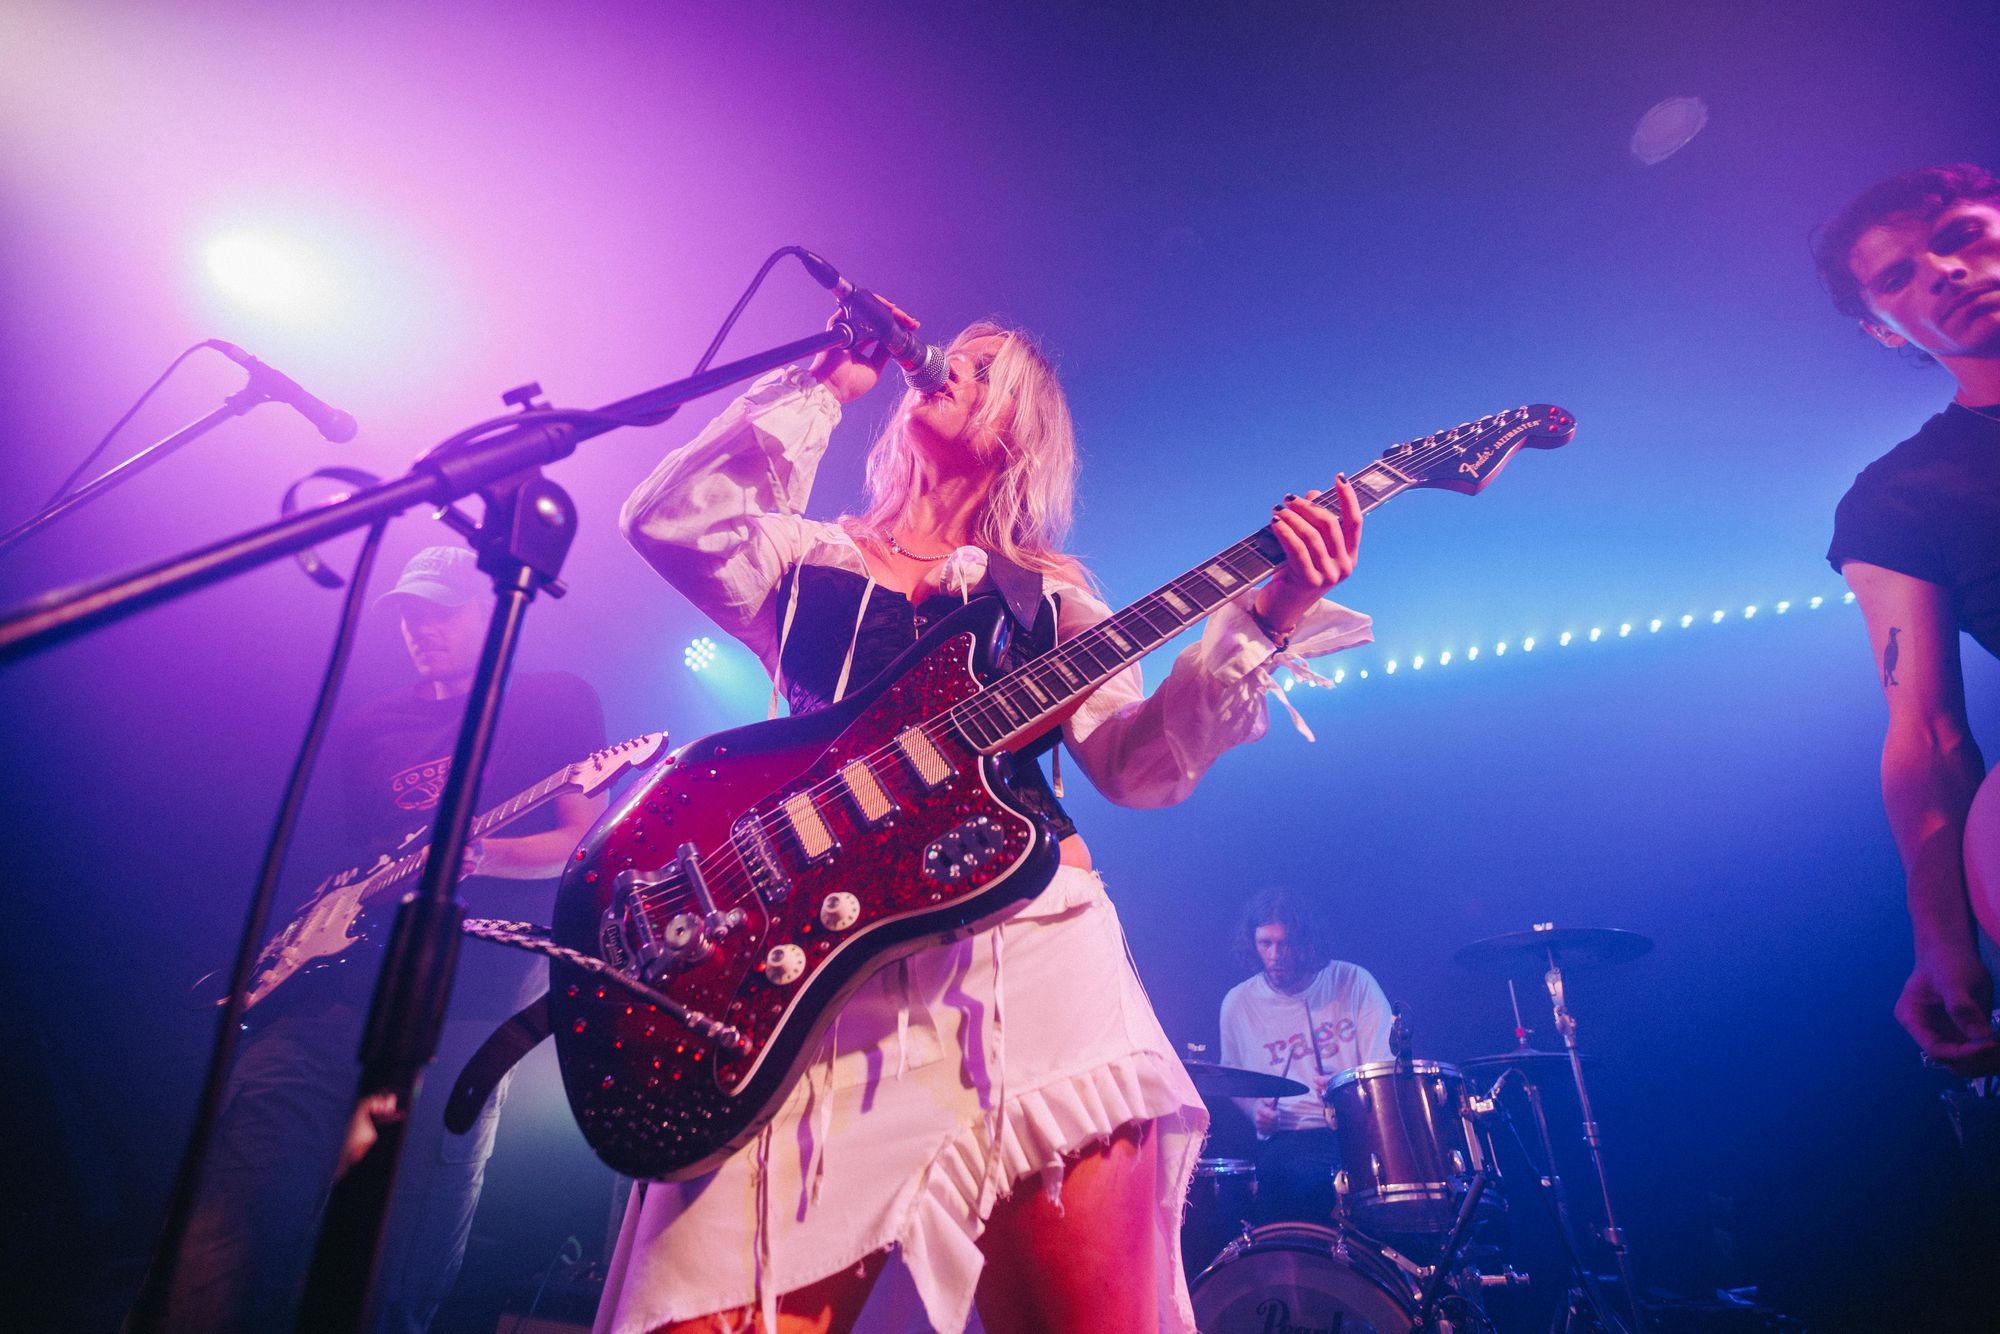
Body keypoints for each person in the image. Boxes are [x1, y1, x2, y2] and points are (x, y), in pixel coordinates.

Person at [604, 310, 1373, 1334]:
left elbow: (1135, 767)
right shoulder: (804, 557)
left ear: (1020, 432)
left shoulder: (1047, 596)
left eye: (981, 373)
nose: (946, 373)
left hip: (1028, 966)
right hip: (813, 985)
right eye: (951, 360)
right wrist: (822, 385)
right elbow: (670, 523)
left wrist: (1267, 616)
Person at [167, 545, 607, 1333]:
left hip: (465, 1016)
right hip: (331, 1001)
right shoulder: (373, 725)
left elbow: (580, 844)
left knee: (394, 1269)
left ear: (494, 608)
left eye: (440, 611)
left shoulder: (554, 700)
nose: (419, 629)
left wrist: (477, 855)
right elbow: (361, 862)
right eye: (408, 614)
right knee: (225, 1238)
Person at [1817, 164, 2000, 1081]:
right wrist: (1941, 934)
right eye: (1898, 277)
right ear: (1884, 331)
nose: (1945, 272)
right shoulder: (1898, 500)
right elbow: (1926, 731)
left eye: (1961, 235)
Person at [1216, 887, 1392, 1225]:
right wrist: (1257, 1112)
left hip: (1360, 1129)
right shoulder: (1238, 1003)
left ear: (1306, 942)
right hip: (1291, 1136)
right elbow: (1232, 1076)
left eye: (1285, 944)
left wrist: (1345, 1089)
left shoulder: (1353, 982)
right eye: (1265, 944)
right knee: (1295, 1179)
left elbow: (1384, 1066)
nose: (1275, 955)